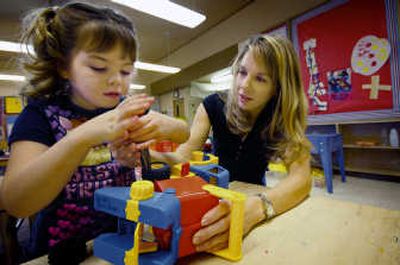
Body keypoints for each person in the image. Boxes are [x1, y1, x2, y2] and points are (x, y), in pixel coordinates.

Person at [0, 2, 189, 261]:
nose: (116, 80)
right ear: (63, 66)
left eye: (125, 70)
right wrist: (82, 136)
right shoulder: (40, 114)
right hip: (63, 251)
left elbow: (184, 133)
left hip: (123, 240)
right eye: (99, 67)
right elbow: (16, 201)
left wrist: (166, 125)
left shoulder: (126, 107)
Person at [148, 34, 312, 252]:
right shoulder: (211, 105)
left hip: (253, 194)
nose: (244, 85)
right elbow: (182, 157)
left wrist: (258, 207)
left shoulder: (279, 116)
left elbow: (302, 177)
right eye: (242, 72)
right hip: (214, 194)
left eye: (260, 79)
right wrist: (150, 154)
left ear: (278, 88)